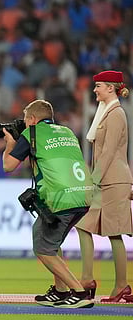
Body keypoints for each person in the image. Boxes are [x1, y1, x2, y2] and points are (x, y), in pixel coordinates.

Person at [2, 99, 95, 308]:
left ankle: (79, 292)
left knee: (43, 247)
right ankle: (60, 291)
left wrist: (10, 145)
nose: (24, 124)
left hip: (60, 198)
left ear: (33, 119)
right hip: (83, 195)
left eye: (26, 120)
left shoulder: (32, 133)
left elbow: (8, 166)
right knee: (52, 243)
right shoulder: (67, 132)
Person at [75, 70, 133, 303]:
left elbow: (108, 152)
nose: (94, 89)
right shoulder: (107, 112)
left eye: (98, 85)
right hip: (106, 179)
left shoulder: (116, 114)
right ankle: (88, 279)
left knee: (114, 233)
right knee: (85, 226)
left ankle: (120, 285)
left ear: (111, 87)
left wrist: (93, 179)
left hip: (113, 180)